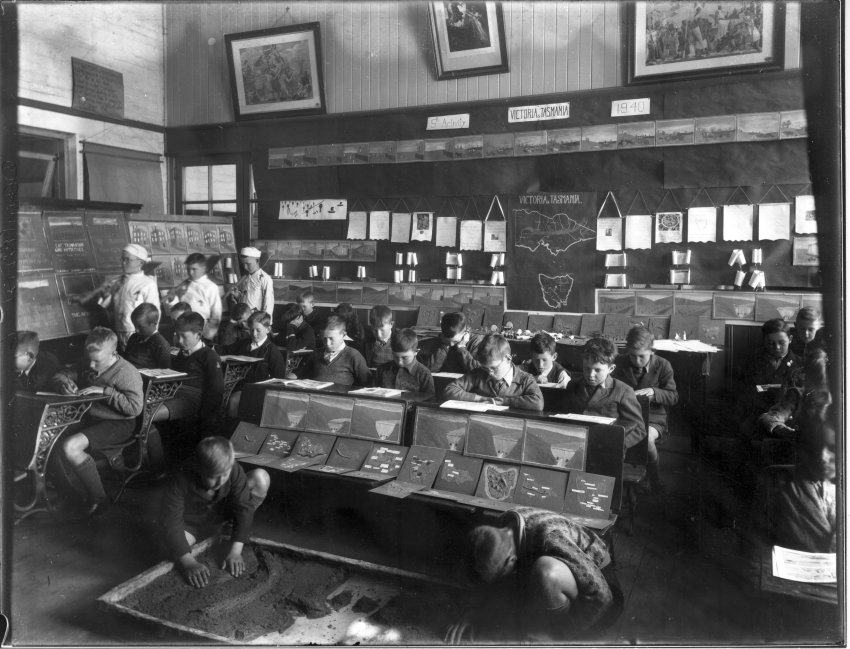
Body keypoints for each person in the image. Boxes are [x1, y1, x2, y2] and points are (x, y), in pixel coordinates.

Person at [445, 507, 621, 644]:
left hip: (602, 591)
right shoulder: (503, 524)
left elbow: (604, 598)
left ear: (512, 560)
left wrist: (557, 637)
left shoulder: (549, 537)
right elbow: (490, 576)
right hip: (569, 582)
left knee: (545, 571)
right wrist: (472, 612)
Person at [50, 327, 144, 515]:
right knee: (48, 439)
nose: (91, 365)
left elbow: (135, 408)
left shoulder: (127, 372)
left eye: (97, 361)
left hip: (120, 423)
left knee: (70, 446)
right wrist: (63, 383)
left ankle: (99, 499)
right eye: (89, 359)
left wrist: (105, 392)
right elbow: (61, 373)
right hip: (92, 419)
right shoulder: (88, 361)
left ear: (113, 353)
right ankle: (70, 494)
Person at [160, 436, 270, 588]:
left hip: (223, 516)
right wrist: (190, 563)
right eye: (213, 477)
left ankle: (229, 530)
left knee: (261, 477)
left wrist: (236, 551)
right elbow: (171, 522)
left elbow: (244, 508)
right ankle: (198, 543)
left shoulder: (233, 469)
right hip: (191, 525)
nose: (220, 482)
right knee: (171, 548)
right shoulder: (180, 479)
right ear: (199, 469)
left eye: (224, 475)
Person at [752, 422, 836, 554]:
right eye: (817, 447)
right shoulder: (779, 483)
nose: (822, 457)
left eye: (833, 448)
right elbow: (758, 542)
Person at [612, 326, 678, 492]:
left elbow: (673, 396)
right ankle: (618, 482)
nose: (637, 361)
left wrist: (655, 392)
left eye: (642, 356)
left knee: (646, 440)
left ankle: (655, 479)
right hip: (626, 415)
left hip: (654, 418)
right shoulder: (620, 361)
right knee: (612, 437)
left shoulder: (663, 365)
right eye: (632, 356)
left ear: (652, 351)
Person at [555, 337, 646, 450]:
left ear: (611, 368)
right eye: (586, 368)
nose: (590, 375)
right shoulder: (573, 385)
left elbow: (639, 429)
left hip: (607, 450)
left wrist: (617, 445)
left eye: (597, 370)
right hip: (574, 445)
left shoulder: (623, 391)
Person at [70, 243, 158, 350]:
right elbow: (111, 308)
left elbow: (154, 313)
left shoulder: (147, 283)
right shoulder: (118, 282)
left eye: (127, 260)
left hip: (136, 332)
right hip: (117, 330)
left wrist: (149, 337)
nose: (123, 263)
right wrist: (105, 295)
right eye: (122, 259)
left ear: (140, 262)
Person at [153, 312, 224, 438]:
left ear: (199, 335)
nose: (179, 341)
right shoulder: (182, 353)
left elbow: (216, 391)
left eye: (184, 337)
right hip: (174, 395)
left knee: (150, 414)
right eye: (177, 336)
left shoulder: (210, 356)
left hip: (192, 400)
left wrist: (206, 419)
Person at [734, 318, 802, 438]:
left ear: (790, 339)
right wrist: (778, 388)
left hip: (786, 416)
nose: (776, 347)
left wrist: (765, 387)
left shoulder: (800, 364)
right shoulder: (752, 360)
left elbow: (797, 395)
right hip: (755, 413)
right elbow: (747, 390)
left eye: (781, 343)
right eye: (771, 343)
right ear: (764, 341)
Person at [443, 334, 543, 411]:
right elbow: (449, 390)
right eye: (486, 368)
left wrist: (504, 401)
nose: (489, 373)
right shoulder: (479, 373)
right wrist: (479, 399)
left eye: (493, 368)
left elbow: (538, 403)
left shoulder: (525, 379)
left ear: (508, 358)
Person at [225, 311, 286, 417]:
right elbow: (226, 349)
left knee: (234, 401)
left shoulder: (273, 352)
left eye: (258, 330)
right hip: (240, 386)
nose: (254, 334)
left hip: (260, 390)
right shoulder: (244, 343)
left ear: (268, 329)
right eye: (251, 330)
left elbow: (279, 379)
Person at [292, 314, 370, 387]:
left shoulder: (353, 355)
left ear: (343, 335)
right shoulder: (316, 354)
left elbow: (366, 383)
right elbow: (301, 374)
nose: (327, 343)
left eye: (331, 338)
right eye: (324, 339)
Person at [164, 253, 222, 342]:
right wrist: (172, 299)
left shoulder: (211, 287)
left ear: (203, 268)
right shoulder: (184, 286)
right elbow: (176, 309)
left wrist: (208, 336)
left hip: (201, 332)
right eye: (188, 269)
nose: (190, 272)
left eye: (194, 269)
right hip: (182, 330)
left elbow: (216, 314)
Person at [418, 311, 484, 374]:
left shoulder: (476, 341)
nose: (451, 344)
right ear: (443, 335)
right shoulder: (441, 340)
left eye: (455, 341)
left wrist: (461, 348)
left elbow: (477, 372)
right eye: (448, 341)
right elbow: (430, 370)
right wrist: (444, 347)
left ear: (465, 333)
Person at [375, 328, 434, 394]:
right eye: (395, 356)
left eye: (405, 358)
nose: (399, 362)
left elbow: (429, 401)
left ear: (416, 352)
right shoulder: (382, 370)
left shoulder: (424, 374)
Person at [226, 247, 274, 320]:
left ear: (257, 261)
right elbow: (246, 298)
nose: (245, 267)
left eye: (248, 264)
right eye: (243, 264)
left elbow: (268, 304)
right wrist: (237, 295)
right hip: (243, 319)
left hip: (255, 320)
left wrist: (265, 323)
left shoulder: (265, 279)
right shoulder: (245, 278)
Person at [123, 303, 171, 369]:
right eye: (135, 326)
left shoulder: (161, 344)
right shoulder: (134, 337)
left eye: (140, 327)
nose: (136, 330)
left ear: (155, 323)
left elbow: (165, 373)